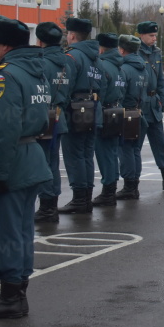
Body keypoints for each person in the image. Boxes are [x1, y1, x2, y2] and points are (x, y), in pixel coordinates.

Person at [0, 17, 51, 319]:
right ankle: (18, 289)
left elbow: (4, 126)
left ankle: (11, 297)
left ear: (5, 44)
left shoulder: (4, 76)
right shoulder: (37, 71)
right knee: (22, 229)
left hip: (11, 159)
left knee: (7, 231)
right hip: (32, 154)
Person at [58, 18, 105, 215]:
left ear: (72, 35)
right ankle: (85, 196)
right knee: (86, 154)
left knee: (74, 154)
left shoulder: (72, 57)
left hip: (75, 109)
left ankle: (79, 198)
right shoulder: (96, 57)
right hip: (93, 108)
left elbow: (65, 85)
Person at [33, 22, 70, 223]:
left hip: (43, 116)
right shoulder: (67, 61)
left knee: (43, 162)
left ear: (40, 41)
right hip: (59, 115)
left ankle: (47, 206)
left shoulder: (41, 62)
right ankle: (51, 204)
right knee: (53, 162)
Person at [137, 21, 164, 190]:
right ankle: (131, 182)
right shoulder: (136, 52)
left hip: (154, 104)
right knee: (135, 145)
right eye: (151, 35)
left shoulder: (156, 53)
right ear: (141, 35)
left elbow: (160, 79)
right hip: (140, 105)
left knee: (160, 142)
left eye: (155, 35)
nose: (154, 38)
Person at [115, 35, 149, 203]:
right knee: (135, 150)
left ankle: (129, 186)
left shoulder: (124, 69)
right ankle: (134, 185)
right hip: (139, 112)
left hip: (126, 112)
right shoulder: (143, 67)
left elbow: (120, 92)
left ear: (122, 50)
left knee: (126, 150)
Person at [93, 33, 125, 205]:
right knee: (112, 152)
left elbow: (101, 92)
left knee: (104, 153)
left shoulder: (103, 65)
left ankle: (108, 191)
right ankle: (111, 187)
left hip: (105, 112)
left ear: (101, 47)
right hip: (117, 110)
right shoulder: (119, 66)